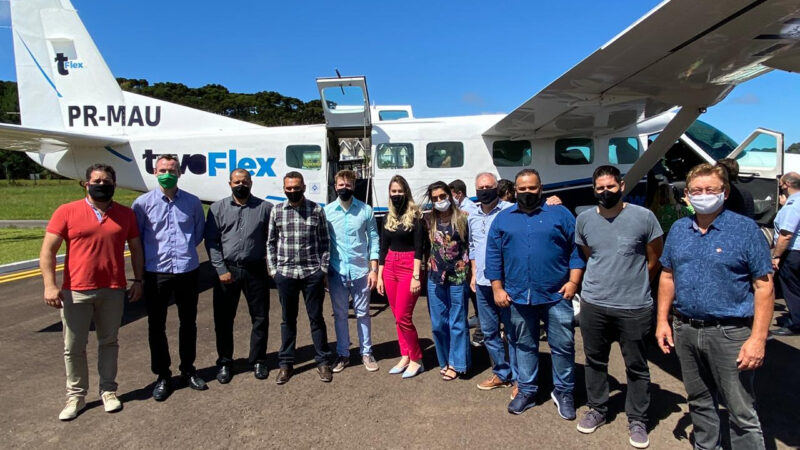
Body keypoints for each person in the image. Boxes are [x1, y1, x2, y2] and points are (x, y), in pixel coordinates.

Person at [656, 163, 773, 449]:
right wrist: (662, 320)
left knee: (741, 409)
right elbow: (667, 276)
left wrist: (757, 339)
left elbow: (764, 287)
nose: (703, 195)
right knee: (698, 401)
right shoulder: (679, 229)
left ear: (725, 191)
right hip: (686, 328)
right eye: (697, 190)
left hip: (730, 332)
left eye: (711, 189)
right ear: (687, 195)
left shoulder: (745, 230)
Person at [41, 164, 144, 420]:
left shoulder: (126, 214)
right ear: (86, 184)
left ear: (114, 185)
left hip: (112, 289)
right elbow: (48, 251)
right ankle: (76, 395)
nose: (101, 184)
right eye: (96, 180)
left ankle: (108, 390)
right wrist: (49, 284)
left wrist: (139, 280)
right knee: (73, 346)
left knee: (109, 342)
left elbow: (136, 249)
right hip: (76, 291)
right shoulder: (67, 211)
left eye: (106, 180)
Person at [575, 165, 664, 449]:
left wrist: (633, 284)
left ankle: (637, 418)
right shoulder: (585, 219)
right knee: (595, 360)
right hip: (594, 303)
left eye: (610, 187)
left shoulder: (644, 217)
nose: (605, 192)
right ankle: (598, 409)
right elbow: (589, 255)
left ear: (621, 186)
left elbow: (654, 259)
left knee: (636, 365)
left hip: (634, 305)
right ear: (594, 189)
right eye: (600, 188)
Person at [486, 168, 585, 418]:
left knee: (563, 345)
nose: (527, 192)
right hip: (519, 296)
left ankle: (564, 392)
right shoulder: (503, 219)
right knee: (524, 345)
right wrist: (497, 287)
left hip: (556, 295)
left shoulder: (559, 214)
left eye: (532, 188)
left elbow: (577, 249)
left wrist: (574, 282)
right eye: (522, 189)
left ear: (540, 188)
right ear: (514, 191)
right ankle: (527, 390)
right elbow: (494, 255)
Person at [132, 154, 207, 401]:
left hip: (186, 270)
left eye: (172, 170)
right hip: (156, 273)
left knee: (189, 323)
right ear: (155, 172)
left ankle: (188, 369)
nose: (168, 173)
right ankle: (163, 375)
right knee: (157, 326)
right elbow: (138, 242)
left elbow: (196, 235)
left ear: (179, 173)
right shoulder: (142, 204)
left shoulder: (193, 203)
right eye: (163, 169)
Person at [204, 168, 273, 383]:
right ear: (230, 184)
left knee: (260, 317)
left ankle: (259, 360)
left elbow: (272, 239)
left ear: (251, 183)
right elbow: (212, 242)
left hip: (256, 270)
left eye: (244, 181)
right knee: (224, 320)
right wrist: (220, 269)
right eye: (236, 182)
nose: (240, 185)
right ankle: (225, 362)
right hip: (228, 270)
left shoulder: (265, 208)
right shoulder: (217, 209)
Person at [268, 171, 333, 383]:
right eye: (289, 188)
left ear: (304, 187)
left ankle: (322, 361)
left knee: (316, 319)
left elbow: (325, 242)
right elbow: (270, 243)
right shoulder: (277, 211)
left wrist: (322, 269)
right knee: (288, 320)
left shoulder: (316, 210)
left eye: (296, 188)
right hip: (285, 274)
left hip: (311, 273)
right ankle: (286, 363)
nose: (293, 191)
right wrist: (273, 271)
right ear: (284, 189)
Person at [324, 169, 381, 372]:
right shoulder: (328, 212)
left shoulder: (365, 210)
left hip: (360, 271)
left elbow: (374, 239)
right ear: (335, 186)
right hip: (336, 271)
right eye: (341, 185)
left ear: (354, 187)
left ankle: (366, 352)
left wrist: (373, 269)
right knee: (340, 315)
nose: (344, 188)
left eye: (348, 185)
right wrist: (324, 273)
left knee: (363, 313)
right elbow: (324, 243)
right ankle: (343, 354)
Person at [469, 172, 516, 391]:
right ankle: (501, 372)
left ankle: (519, 378)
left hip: (506, 283)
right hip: (481, 283)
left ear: (496, 188)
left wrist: (554, 201)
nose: (484, 190)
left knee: (514, 331)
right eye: (480, 187)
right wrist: (473, 274)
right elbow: (472, 248)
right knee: (489, 332)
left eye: (488, 186)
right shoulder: (472, 215)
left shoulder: (510, 210)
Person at [377, 175, 426, 379]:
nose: (396, 195)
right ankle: (404, 354)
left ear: (406, 192)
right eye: (393, 191)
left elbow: (419, 248)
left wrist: (416, 276)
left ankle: (417, 358)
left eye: (399, 191)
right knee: (397, 317)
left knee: (405, 318)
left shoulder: (416, 216)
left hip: (409, 267)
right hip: (390, 266)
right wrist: (380, 276)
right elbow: (382, 248)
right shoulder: (388, 216)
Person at [425, 181, 471, 380]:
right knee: (438, 322)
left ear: (450, 196)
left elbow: (470, 244)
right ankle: (443, 359)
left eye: (442, 197)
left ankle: (457, 363)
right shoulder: (428, 220)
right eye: (435, 198)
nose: (439, 201)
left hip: (457, 276)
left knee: (457, 321)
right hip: (435, 276)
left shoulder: (462, 218)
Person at [449, 179, 483, 346]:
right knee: (472, 293)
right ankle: (479, 322)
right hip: (467, 258)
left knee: (474, 292)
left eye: (451, 195)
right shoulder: (463, 208)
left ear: (459, 194)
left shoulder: (468, 210)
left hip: (469, 259)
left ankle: (481, 329)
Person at [772, 171, 800, 336]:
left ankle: (796, 323)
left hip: (793, 252)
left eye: (781, 185)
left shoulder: (793, 204)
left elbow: (786, 234)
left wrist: (776, 256)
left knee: (792, 289)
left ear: (787, 185)